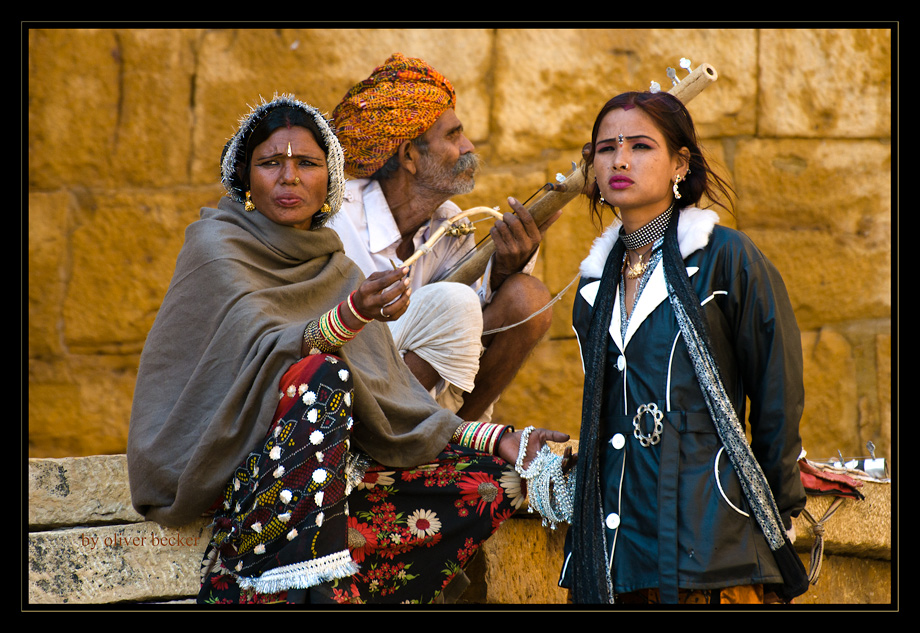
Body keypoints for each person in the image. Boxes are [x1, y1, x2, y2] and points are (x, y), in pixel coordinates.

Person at [126, 94, 567, 605]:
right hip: (221, 461)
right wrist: (351, 315)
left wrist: (498, 439)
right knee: (321, 376)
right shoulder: (215, 245)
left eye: (307, 164)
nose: (289, 177)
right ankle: (269, 579)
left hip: (328, 466)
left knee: (493, 485)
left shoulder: (337, 268)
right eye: (271, 163)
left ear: (328, 180)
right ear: (246, 179)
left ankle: (343, 589)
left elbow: (392, 393)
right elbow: (267, 351)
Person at [559, 90, 809, 605]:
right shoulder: (591, 288)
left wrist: (772, 510)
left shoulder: (726, 259)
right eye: (605, 149)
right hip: (612, 558)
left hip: (713, 549)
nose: (620, 160)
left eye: (641, 146)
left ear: (679, 163)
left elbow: (776, 395)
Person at [328, 53, 561, 423]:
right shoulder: (338, 221)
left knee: (526, 299)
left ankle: (454, 436)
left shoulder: (451, 223)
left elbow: (470, 323)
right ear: (409, 156)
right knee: (450, 305)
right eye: (454, 136)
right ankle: (385, 439)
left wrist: (502, 271)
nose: (468, 147)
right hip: (348, 390)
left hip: (420, 388)